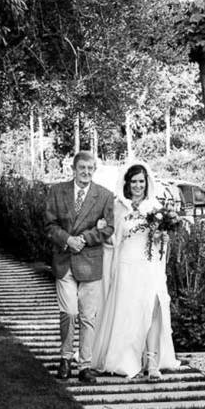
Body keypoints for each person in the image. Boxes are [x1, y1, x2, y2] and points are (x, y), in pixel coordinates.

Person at [92, 163, 181, 379]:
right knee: (129, 311)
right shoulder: (118, 206)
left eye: (141, 181)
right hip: (126, 264)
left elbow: (159, 240)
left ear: (147, 183)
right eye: (134, 182)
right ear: (127, 184)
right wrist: (104, 229)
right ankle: (125, 357)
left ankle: (151, 362)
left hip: (150, 265)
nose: (138, 185)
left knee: (154, 307)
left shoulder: (154, 207)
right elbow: (114, 240)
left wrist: (163, 239)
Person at [44, 151, 115, 383]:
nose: (86, 172)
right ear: (73, 169)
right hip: (64, 261)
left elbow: (107, 229)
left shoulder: (104, 196)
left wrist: (83, 238)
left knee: (87, 317)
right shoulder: (57, 191)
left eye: (90, 168)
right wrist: (67, 239)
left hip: (90, 262)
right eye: (82, 168)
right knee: (69, 312)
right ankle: (65, 358)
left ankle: (85, 365)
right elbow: (49, 225)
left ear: (94, 170)